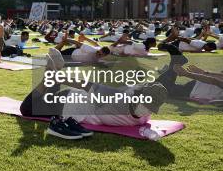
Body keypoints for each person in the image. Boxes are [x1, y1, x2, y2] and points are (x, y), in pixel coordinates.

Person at [18, 48, 168, 140]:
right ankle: (49, 75)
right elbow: (85, 85)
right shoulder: (117, 100)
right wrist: (59, 77)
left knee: (43, 99)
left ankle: (53, 72)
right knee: (26, 108)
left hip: (75, 102)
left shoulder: (145, 112)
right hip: (69, 103)